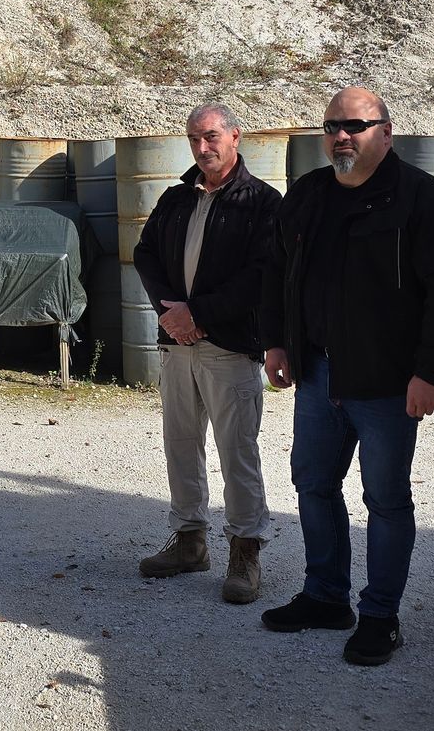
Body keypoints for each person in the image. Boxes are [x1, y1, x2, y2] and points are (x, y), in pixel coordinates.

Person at [257, 86, 434, 666]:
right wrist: (275, 341)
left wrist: (431, 372)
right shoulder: (307, 195)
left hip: (388, 383)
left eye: (354, 125)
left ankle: (380, 616)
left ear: (386, 131)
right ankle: (326, 597)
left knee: (385, 499)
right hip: (318, 374)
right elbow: (276, 272)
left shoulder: (424, 200)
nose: (340, 136)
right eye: (332, 126)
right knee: (313, 484)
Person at [131, 101, 281, 604]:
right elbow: (145, 254)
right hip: (177, 345)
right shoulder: (177, 197)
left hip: (229, 346)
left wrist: (199, 314)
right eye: (194, 138)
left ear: (235, 137)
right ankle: (190, 540)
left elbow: (262, 275)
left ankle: (245, 550)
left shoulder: (262, 203)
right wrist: (170, 312)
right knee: (180, 443)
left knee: (237, 450)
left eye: (211, 136)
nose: (202, 147)